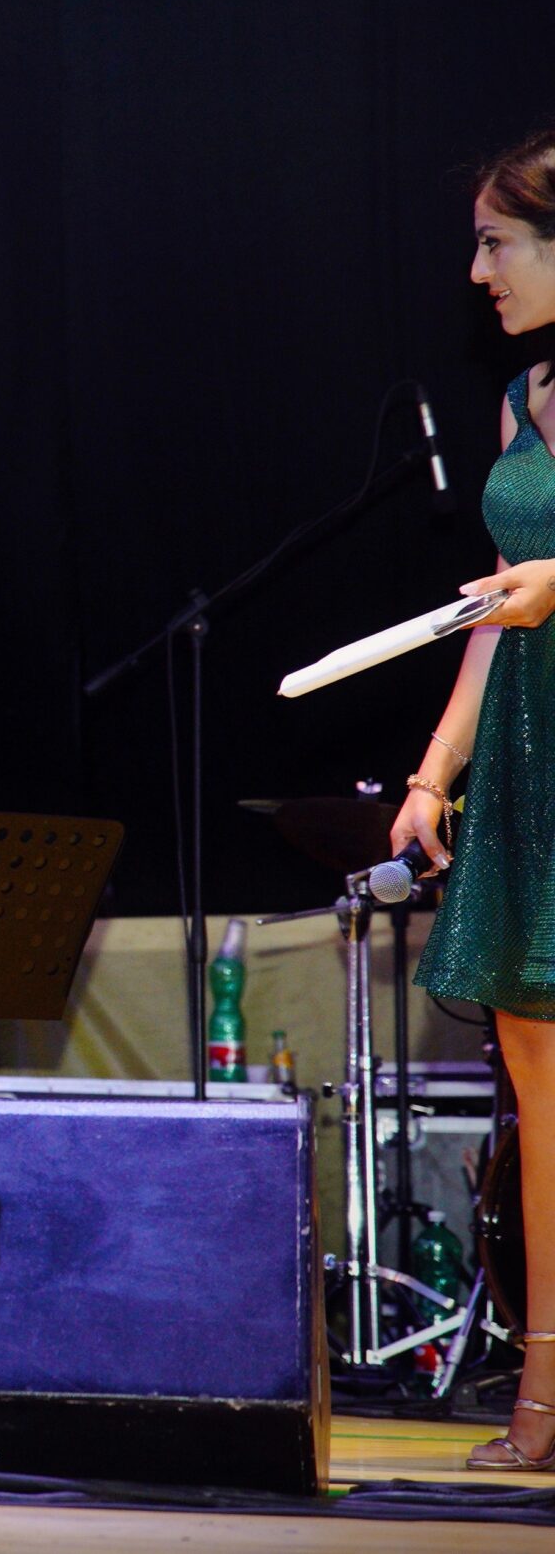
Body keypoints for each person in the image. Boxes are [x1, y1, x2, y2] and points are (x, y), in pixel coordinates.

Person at [391, 124, 555, 1472]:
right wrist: (435, 771)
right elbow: (494, 622)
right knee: (537, 1087)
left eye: (498, 243)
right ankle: (544, 1395)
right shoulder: (522, 400)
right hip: (525, 763)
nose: (477, 270)